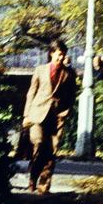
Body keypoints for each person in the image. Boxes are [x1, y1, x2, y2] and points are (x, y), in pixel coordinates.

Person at [22, 38, 75, 194]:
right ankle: (33, 176)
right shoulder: (40, 70)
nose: (61, 58)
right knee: (38, 144)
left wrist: (67, 111)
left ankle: (44, 185)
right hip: (37, 114)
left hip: (57, 116)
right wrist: (26, 115)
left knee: (52, 150)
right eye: (58, 54)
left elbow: (72, 94)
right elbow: (31, 93)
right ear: (52, 53)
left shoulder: (69, 73)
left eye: (63, 55)